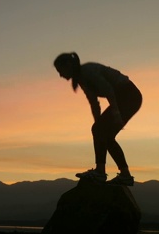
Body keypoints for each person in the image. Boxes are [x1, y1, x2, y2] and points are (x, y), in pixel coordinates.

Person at [53, 52, 142, 186]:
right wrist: (98, 124)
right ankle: (123, 174)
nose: (60, 75)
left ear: (68, 65)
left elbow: (108, 90)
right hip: (125, 97)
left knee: (102, 132)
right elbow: (94, 104)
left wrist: (116, 114)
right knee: (103, 133)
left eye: (60, 70)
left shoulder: (87, 71)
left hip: (128, 96)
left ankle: (102, 172)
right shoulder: (81, 78)